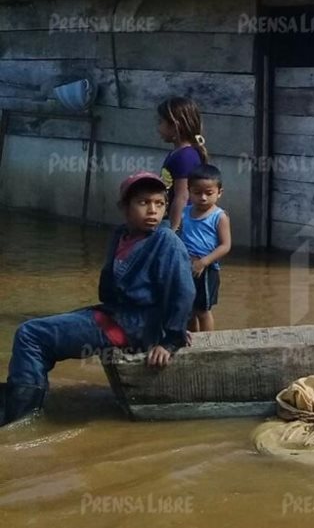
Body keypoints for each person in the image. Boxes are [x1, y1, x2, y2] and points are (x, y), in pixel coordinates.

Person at [2, 172, 194, 426]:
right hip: (114, 313)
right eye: (143, 202)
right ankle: (23, 390)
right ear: (124, 208)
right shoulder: (122, 235)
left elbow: (183, 291)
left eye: (159, 204)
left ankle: (22, 414)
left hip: (131, 326)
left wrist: (171, 338)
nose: (152, 210)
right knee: (42, 333)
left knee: (30, 334)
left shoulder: (166, 241)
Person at [181, 164, 232, 333]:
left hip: (207, 270)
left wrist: (204, 262)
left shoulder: (219, 217)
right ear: (189, 192)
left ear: (219, 193)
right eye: (197, 193)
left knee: (202, 311)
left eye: (208, 193)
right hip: (186, 267)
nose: (203, 198)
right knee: (187, 310)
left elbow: (225, 246)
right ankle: (192, 343)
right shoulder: (184, 213)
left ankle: (208, 344)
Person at [157, 97, 209, 233]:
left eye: (161, 122)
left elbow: (182, 196)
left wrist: (174, 230)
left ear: (175, 126)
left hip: (181, 225)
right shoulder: (177, 153)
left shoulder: (185, 156)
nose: (158, 128)